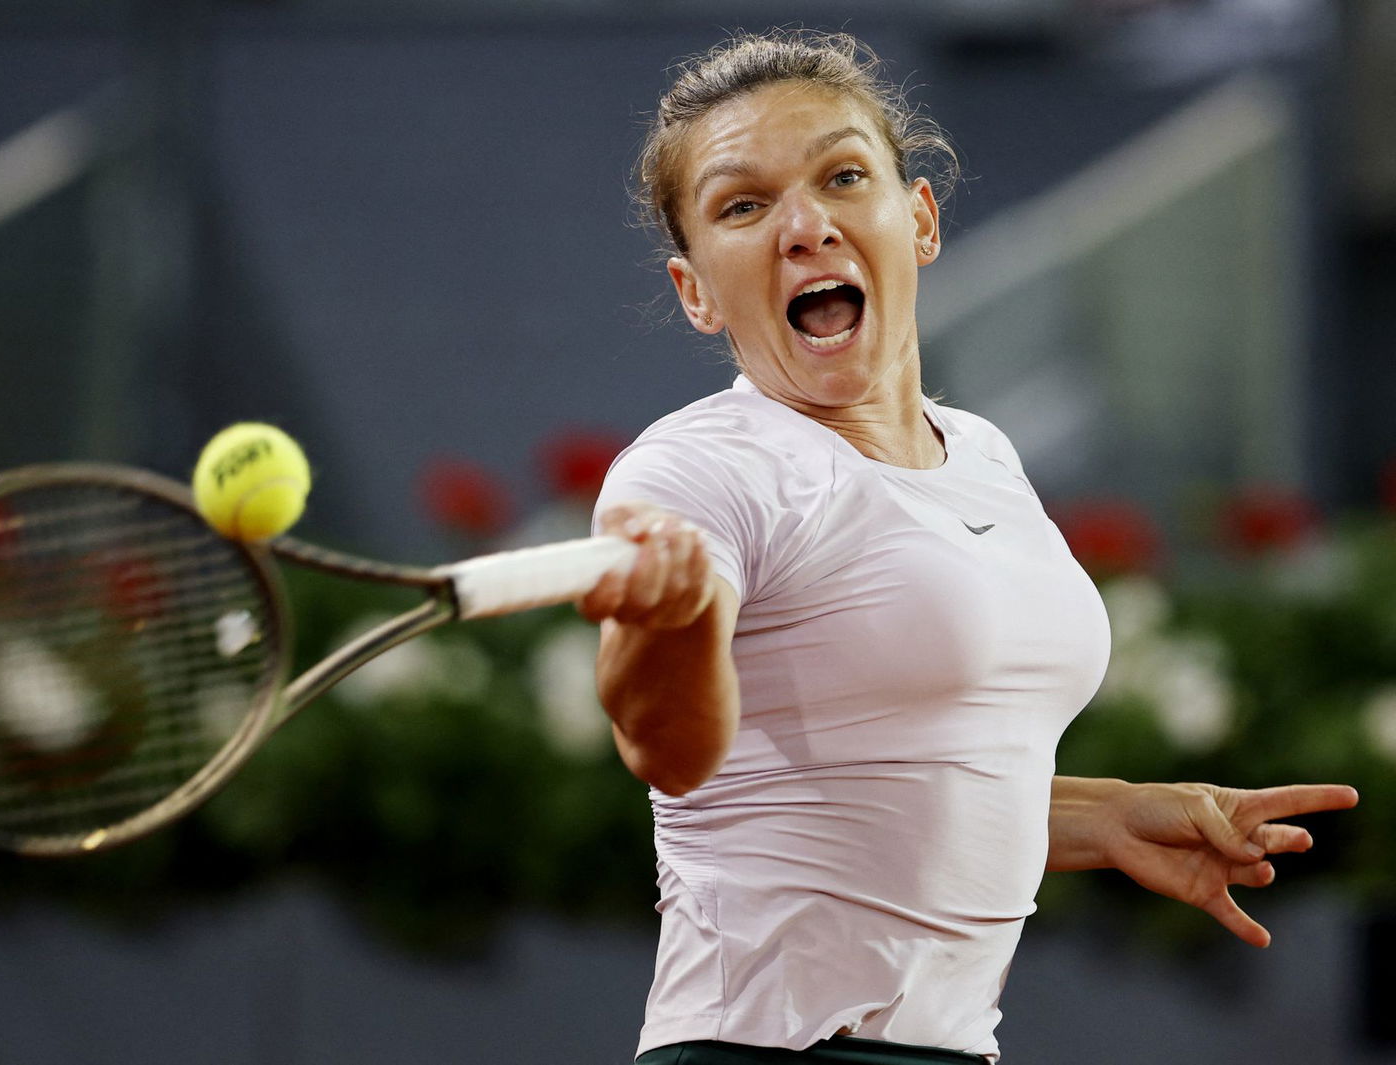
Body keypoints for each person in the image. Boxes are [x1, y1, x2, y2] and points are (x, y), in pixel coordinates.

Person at [575, 29, 1360, 1065]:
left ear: (919, 218)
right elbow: (667, 751)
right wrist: (657, 632)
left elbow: (895, 778)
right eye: (743, 205)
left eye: (843, 176)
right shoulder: (696, 472)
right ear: (696, 292)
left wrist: (1106, 817)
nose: (805, 225)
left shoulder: (980, 453)